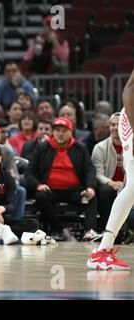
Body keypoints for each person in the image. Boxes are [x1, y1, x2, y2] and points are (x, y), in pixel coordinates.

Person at [87, 69, 134, 270]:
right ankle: (101, 251)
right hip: (132, 120)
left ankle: (102, 250)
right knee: (132, 188)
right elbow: (128, 91)